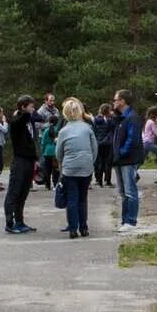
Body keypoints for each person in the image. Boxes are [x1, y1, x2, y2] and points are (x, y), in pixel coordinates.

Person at [55, 97, 98, 238]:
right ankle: (84, 227)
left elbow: (58, 153)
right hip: (86, 167)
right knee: (83, 198)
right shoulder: (87, 128)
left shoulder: (63, 131)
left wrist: (63, 165)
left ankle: (73, 229)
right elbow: (94, 148)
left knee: (72, 199)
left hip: (70, 168)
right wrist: (90, 162)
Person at [3, 96, 38, 234]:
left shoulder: (27, 122)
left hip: (29, 160)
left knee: (23, 193)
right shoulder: (16, 121)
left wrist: (35, 159)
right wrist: (23, 112)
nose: (33, 109)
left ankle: (20, 221)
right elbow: (23, 118)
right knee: (14, 191)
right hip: (19, 161)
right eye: (31, 106)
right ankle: (9, 223)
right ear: (23, 107)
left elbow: (39, 117)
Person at [111, 88, 143, 230]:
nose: (114, 102)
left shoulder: (132, 118)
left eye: (116, 99)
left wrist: (121, 152)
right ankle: (125, 221)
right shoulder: (121, 117)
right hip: (120, 160)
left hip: (128, 160)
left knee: (130, 192)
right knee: (123, 193)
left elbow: (132, 139)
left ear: (122, 101)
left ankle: (131, 221)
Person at [91, 102, 116, 188]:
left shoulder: (95, 120)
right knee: (108, 163)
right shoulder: (109, 120)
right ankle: (107, 181)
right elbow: (113, 127)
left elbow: (93, 131)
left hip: (98, 143)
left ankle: (99, 180)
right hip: (107, 143)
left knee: (99, 163)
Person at [142, 107, 157, 184]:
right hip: (149, 143)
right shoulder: (152, 123)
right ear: (155, 115)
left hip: (146, 143)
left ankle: (133, 172)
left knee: (141, 160)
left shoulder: (148, 121)